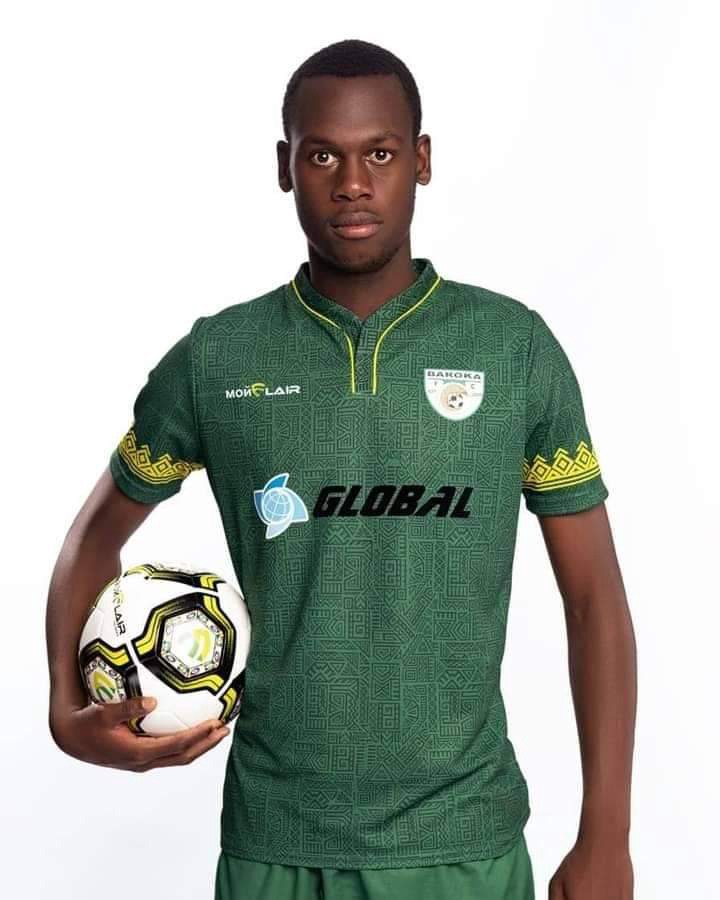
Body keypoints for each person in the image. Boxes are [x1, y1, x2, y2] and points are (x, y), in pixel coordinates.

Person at [46, 38, 636, 900]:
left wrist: (607, 836)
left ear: (421, 160)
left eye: (380, 154)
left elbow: (595, 600)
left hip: (463, 841)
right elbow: (92, 540)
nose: (352, 183)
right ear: (284, 167)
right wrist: (66, 713)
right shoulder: (218, 359)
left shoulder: (513, 350)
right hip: (274, 842)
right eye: (322, 155)